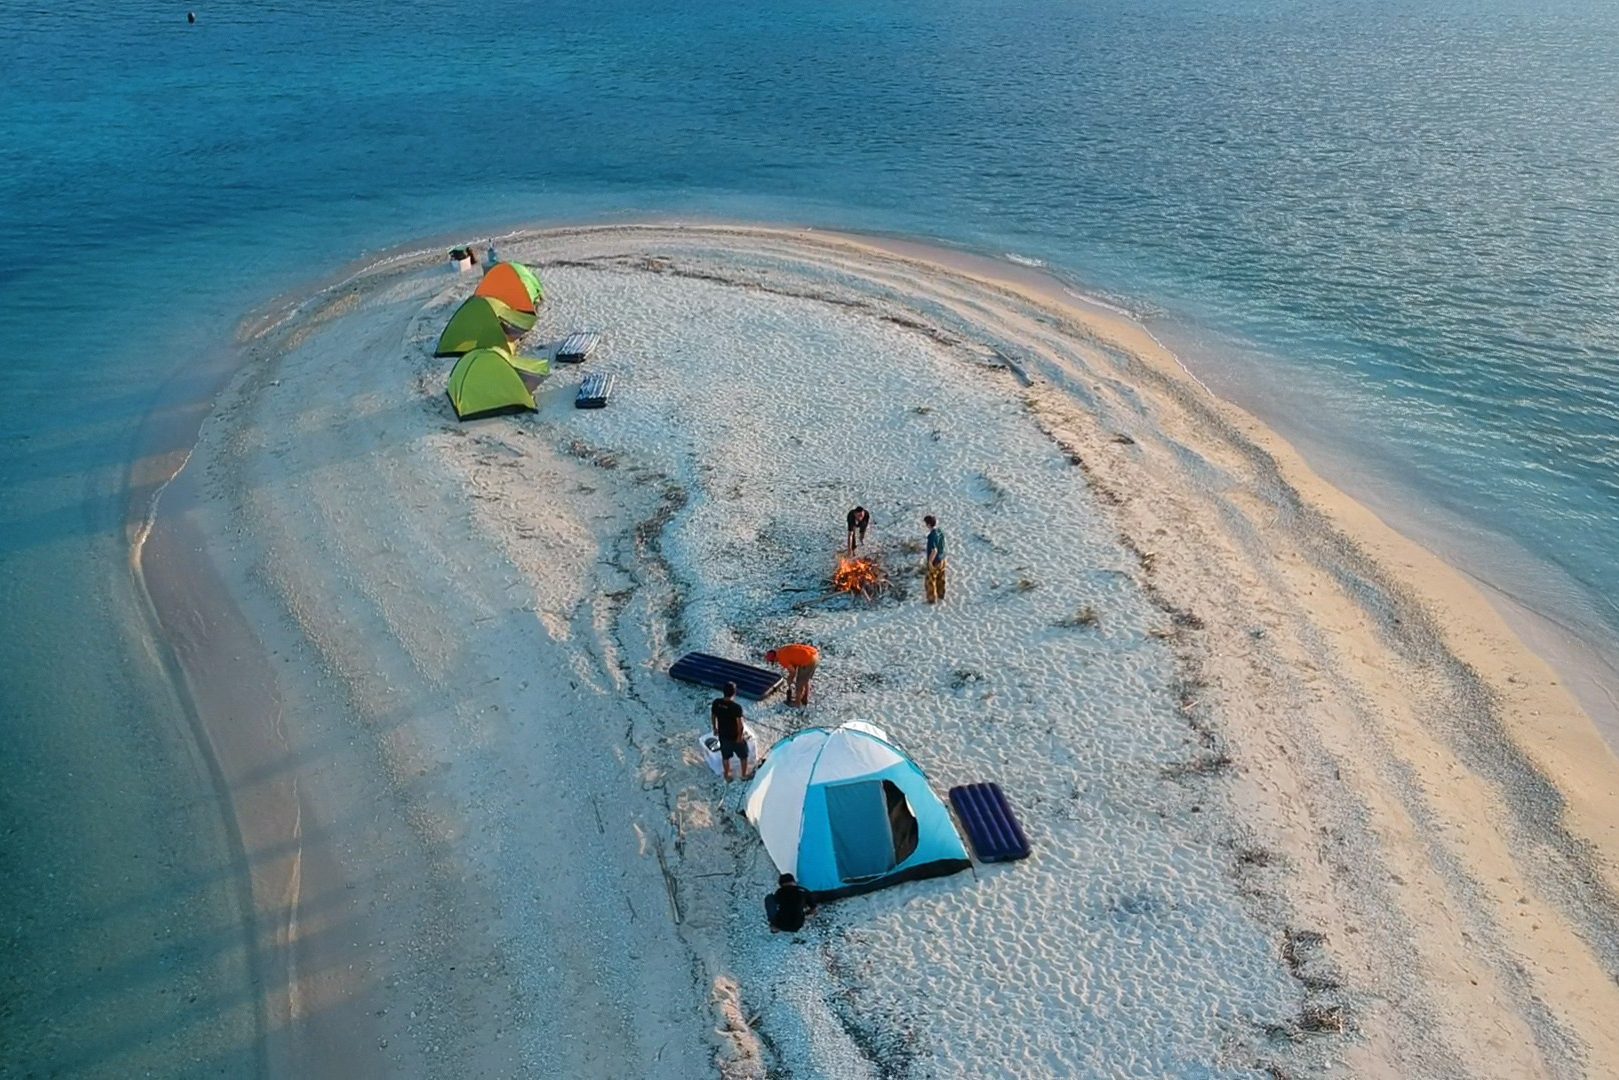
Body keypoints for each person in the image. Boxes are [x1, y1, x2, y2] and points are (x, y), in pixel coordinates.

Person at [711, 682, 750, 781]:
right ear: (734, 693)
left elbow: (713, 716)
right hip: (734, 736)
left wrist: (714, 728)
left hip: (723, 736)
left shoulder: (716, 703)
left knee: (725, 757)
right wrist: (739, 738)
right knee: (743, 756)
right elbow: (740, 726)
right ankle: (744, 775)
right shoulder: (736, 707)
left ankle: (727, 776)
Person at [923, 514, 947, 604]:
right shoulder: (940, 531)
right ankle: (941, 595)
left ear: (928, 524)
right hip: (942, 559)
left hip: (935, 560)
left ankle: (931, 600)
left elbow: (934, 550)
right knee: (941, 579)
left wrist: (930, 561)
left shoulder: (931, 536)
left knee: (930, 581)